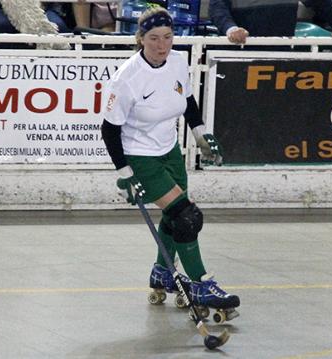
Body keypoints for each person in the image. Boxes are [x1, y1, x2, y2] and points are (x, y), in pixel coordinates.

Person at [101, 6, 240, 317]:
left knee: (174, 217)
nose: (162, 45)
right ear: (140, 39)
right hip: (140, 156)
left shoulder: (177, 61)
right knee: (187, 217)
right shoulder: (127, 79)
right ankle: (201, 284)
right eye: (154, 38)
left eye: (168, 37)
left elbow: (187, 101)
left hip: (169, 150)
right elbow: (109, 129)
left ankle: (163, 273)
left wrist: (201, 134)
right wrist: (124, 174)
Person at [209, 0, 332, 49]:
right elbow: (217, 7)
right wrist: (231, 28)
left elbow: (322, 3)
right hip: (236, 54)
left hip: (280, 53)